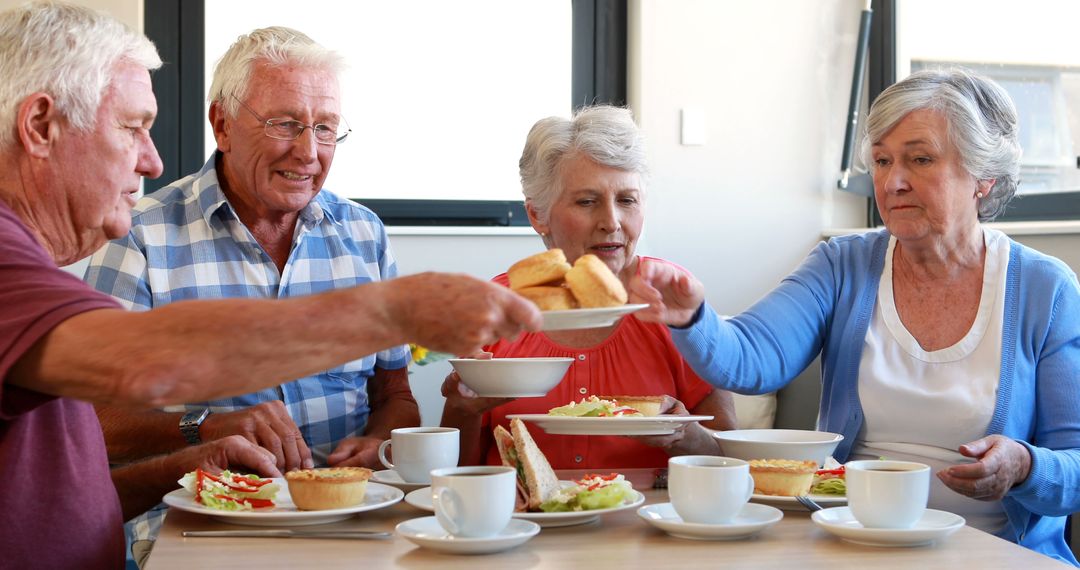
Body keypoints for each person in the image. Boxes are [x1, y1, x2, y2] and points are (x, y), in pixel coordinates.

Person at [0, 3, 540, 569]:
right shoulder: (16, 266)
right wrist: (396, 311)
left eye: (325, 128)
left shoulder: (362, 231)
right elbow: (134, 367)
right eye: (132, 127)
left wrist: (198, 463)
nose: (152, 160)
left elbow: (72, 477)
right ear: (40, 127)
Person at [632, 69, 1080, 564]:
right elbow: (751, 357)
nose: (893, 181)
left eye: (920, 159)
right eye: (883, 161)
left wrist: (1024, 466)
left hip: (996, 552)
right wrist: (692, 317)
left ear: (983, 177)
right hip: (856, 546)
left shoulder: (1046, 288)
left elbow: (1075, 465)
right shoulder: (842, 264)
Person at [81, 26, 422, 562]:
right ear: (223, 125)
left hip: (353, 526)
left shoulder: (364, 234)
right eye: (285, 124)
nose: (309, 151)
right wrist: (205, 429)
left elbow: (395, 395)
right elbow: (89, 424)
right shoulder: (140, 236)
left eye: (325, 128)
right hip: (199, 529)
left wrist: (377, 444)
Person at [441, 106, 737, 469]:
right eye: (587, 201)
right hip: (523, 520)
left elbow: (728, 461)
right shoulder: (495, 309)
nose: (611, 222)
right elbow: (456, 472)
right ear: (537, 214)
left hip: (651, 520)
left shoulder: (674, 299)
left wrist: (682, 434)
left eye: (627, 200)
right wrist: (461, 408)